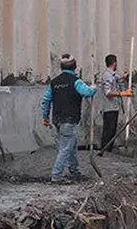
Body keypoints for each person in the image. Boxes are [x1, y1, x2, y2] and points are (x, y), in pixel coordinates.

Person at [41, 54, 97, 183]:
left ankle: (74, 171)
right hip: (69, 119)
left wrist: (45, 117)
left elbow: (46, 100)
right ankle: (56, 176)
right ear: (75, 66)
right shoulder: (76, 81)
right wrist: (93, 88)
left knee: (71, 146)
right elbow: (87, 92)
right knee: (66, 148)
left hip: (57, 119)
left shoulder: (54, 82)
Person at [100, 53, 131, 153]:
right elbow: (107, 92)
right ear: (114, 63)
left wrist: (125, 77)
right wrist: (122, 93)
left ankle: (108, 149)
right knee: (108, 130)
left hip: (114, 107)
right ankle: (105, 149)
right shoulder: (107, 75)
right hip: (109, 107)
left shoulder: (113, 74)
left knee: (112, 130)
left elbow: (118, 78)